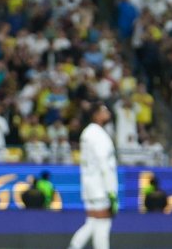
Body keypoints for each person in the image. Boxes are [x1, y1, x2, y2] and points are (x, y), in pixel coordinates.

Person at [68, 104, 118, 249]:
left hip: (89, 185)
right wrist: (111, 190)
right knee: (104, 223)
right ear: (96, 115)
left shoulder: (88, 132)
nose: (108, 112)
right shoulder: (97, 134)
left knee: (92, 221)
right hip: (100, 186)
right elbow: (104, 163)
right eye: (104, 110)